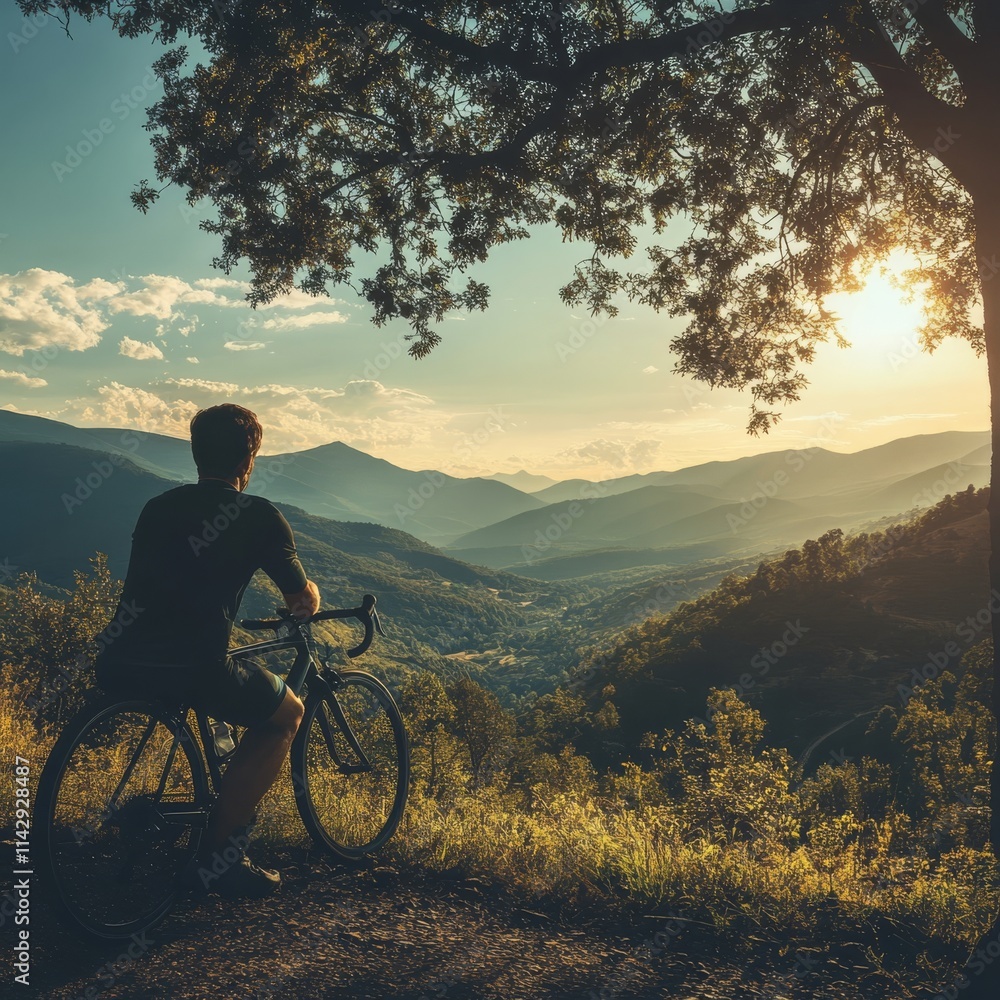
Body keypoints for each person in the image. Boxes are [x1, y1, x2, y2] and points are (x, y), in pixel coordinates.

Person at [94, 403, 321, 898]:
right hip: (194, 666)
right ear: (250, 459)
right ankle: (221, 860)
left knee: (213, 685)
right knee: (286, 714)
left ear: (196, 455)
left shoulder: (157, 507)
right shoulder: (260, 516)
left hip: (120, 658)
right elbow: (299, 597)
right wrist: (310, 597)